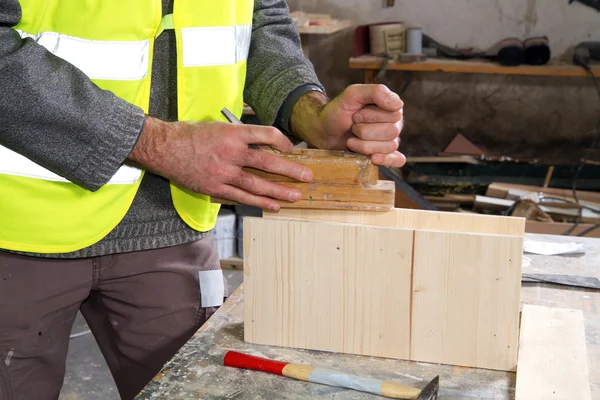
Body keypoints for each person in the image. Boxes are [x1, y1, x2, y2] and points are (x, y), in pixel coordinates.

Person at [0, 0, 404, 399]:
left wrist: (307, 110)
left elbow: (258, 18)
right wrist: (159, 145)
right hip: (18, 227)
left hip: (175, 220)